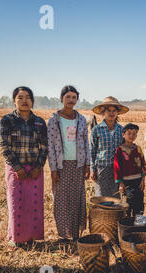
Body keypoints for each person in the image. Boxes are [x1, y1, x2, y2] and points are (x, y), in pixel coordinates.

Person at [0, 86, 48, 248]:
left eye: (28, 97)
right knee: (16, 203)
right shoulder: (7, 120)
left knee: (34, 204)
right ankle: (17, 239)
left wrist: (39, 166)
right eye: (20, 97)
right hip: (15, 169)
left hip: (35, 170)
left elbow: (44, 147)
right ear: (14, 101)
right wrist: (17, 167)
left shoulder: (39, 122)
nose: (24, 100)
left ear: (32, 101)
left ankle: (32, 237)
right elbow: (3, 145)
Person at [47, 85, 90, 241]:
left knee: (77, 199)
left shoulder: (81, 119)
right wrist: (53, 168)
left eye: (74, 97)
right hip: (61, 165)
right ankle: (63, 234)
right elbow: (50, 146)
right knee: (61, 199)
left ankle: (75, 233)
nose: (71, 100)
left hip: (78, 165)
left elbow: (86, 143)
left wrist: (87, 164)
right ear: (61, 99)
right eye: (68, 97)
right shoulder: (54, 120)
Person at [90, 97, 128, 196]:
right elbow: (92, 150)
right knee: (101, 198)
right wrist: (92, 169)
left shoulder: (121, 130)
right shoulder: (96, 130)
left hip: (117, 169)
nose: (111, 113)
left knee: (116, 198)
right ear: (103, 112)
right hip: (102, 168)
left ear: (117, 113)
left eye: (114, 111)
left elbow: (124, 150)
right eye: (108, 110)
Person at [114, 123, 146, 216]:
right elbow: (117, 167)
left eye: (134, 133)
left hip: (138, 181)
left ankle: (138, 226)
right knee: (127, 205)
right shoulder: (120, 150)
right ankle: (128, 227)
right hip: (126, 183)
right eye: (129, 133)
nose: (132, 136)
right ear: (123, 135)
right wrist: (120, 183)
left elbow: (143, 164)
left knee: (139, 204)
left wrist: (143, 180)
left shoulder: (138, 149)